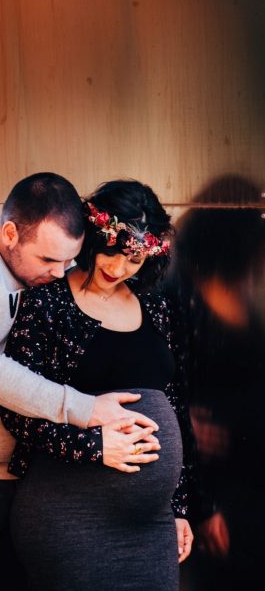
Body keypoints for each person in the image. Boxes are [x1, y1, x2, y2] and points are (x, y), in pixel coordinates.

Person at [0, 173, 161, 591]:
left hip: (31, 481)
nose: (60, 274)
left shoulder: (56, 267)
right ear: (10, 234)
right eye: (48, 261)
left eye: (68, 262)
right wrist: (86, 409)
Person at [0, 179, 199, 591]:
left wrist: (178, 506)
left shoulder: (157, 308)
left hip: (151, 524)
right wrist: (94, 447)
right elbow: (14, 408)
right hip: (70, 516)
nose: (117, 267)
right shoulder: (47, 303)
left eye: (134, 260)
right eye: (112, 251)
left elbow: (175, 406)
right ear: (93, 234)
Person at [165, 176, 265, 591]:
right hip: (213, 493)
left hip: (249, 481)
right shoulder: (178, 300)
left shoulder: (245, 302)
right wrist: (201, 506)